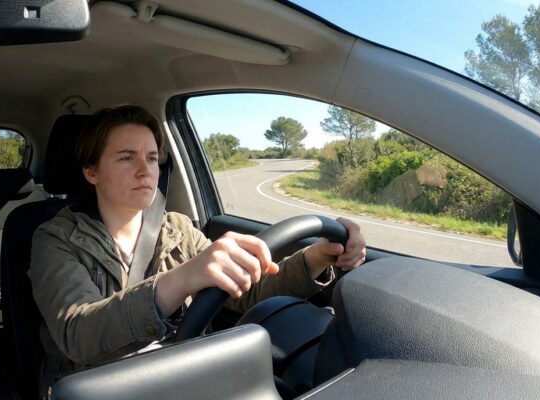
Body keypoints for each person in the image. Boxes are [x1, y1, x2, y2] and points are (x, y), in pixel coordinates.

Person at [29, 105, 367, 389]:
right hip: (101, 386)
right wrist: (181, 279)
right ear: (91, 172)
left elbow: (245, 292)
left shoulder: (178, 228)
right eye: (126, 158)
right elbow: (77, 334)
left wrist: (317, 257)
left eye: (150, 157)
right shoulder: (56, 238)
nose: (145, 170)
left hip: (185, 372)